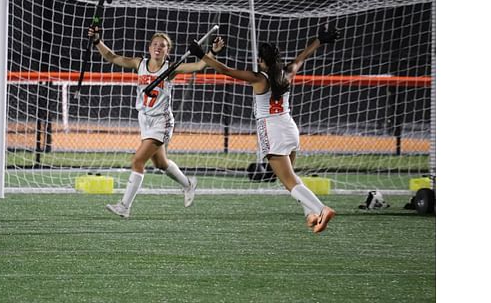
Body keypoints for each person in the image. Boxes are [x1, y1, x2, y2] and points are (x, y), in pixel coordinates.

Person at [189, 25, 340, 233]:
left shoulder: (260, 78)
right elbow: (301, 57)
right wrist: (319, 41)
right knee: (291, 178)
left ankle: (321, 209)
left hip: (273, 130)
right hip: (289, 127)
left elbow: (226, 71)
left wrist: (202, 55)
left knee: (288, 182)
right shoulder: (287, 72)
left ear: (262, 60)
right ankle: (311, 214)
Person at [88, 25, 225, 218]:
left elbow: (199, 66)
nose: (158, 48)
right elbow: (111, 56)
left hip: (162, 121)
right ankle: (188, 184)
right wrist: (96, 41)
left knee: (137, 161)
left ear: (167, 51)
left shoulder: (171, 69)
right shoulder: (139, 64)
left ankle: (124, 206)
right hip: (145, 119)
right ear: (149, 47)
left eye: (163, 45)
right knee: (161, 163)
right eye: (155, 44)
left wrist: (211, 52)